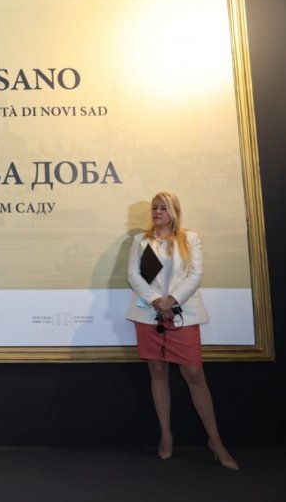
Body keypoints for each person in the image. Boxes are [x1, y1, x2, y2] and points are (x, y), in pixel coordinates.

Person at [125, 191, 238, 470]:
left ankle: (215, 442)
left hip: (183, 313)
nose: (157, 212)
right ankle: (166, 435)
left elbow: (195, 275)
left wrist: (172, 301)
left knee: (194, 374)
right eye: (154, 207)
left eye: (163, 208)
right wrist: (157, 301)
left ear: (174, 211)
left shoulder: (190, 238)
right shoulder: (141, 241)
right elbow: (133, 276)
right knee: (157, 371)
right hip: (148, 313)